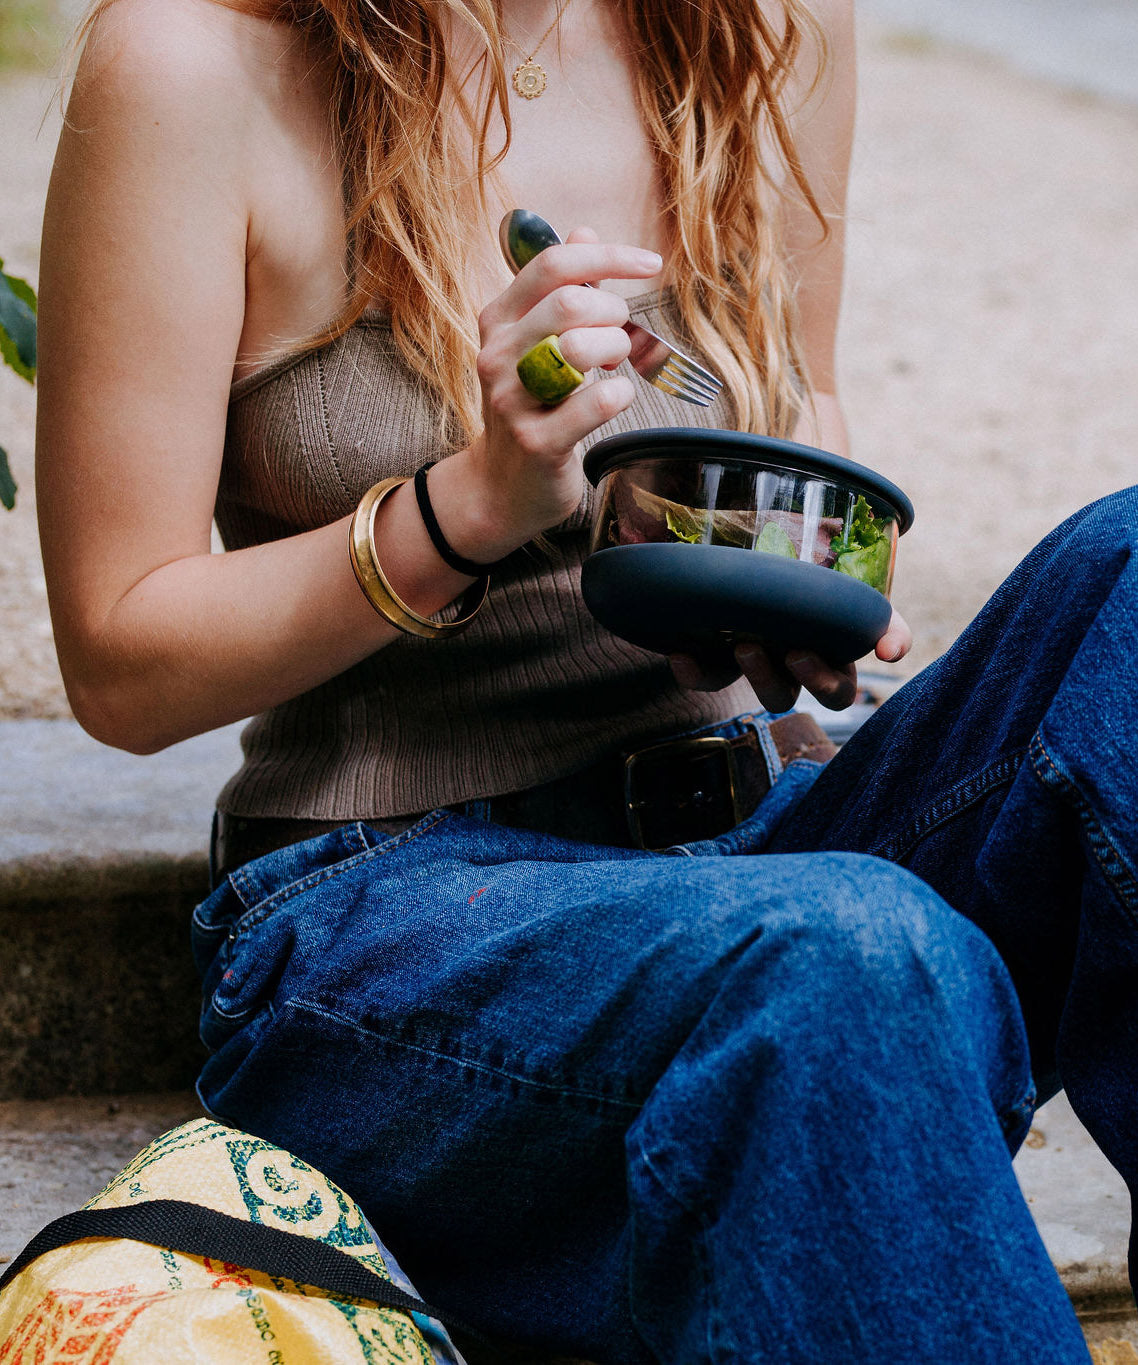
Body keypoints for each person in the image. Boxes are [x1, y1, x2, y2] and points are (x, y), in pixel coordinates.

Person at [33, 0, 1134, 1358]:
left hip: (755, 836)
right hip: (384, 914)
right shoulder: (201, 60)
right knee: (854, 954)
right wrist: (468, 505)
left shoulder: (761, 27)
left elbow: (806, 406)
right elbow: (120, 658)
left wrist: (776, 594)